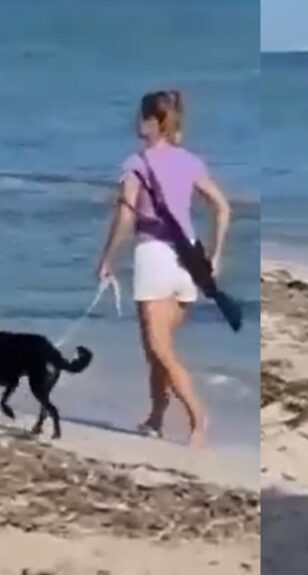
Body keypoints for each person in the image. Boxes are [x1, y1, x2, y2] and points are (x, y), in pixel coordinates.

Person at [96, 91, 231, 448]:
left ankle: (197, 417)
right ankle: (156, 417)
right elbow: (222, 207)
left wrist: (107, 259)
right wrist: (215, 256)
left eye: (142, 117)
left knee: (159, 348)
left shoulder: (136, 164)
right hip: (188, 262)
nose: (136, 122)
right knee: (158, 348)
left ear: (155, 122)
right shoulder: (190, 161)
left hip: (155, 258)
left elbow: (126, 216)